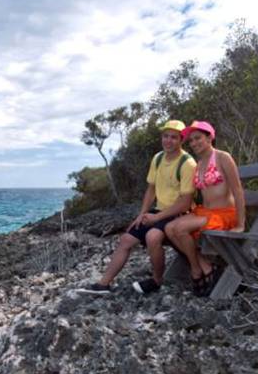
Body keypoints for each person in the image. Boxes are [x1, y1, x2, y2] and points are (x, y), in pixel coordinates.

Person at [79, 120, 197, 295]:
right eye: (165, 136)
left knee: (152, 236)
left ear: (182, 140)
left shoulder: (187, 163)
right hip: (159, 211)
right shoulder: (158, 158)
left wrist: (156, 218)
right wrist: (142, 214)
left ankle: (157, 280)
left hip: (179, 213)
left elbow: (185, 202)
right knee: (126, 239)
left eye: (174, 137)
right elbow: (151, 189)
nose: (168, 140)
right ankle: (103, 285)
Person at [164, 120, 246, 296]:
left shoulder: (223, 157)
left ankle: (198, 271)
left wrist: (241, 224)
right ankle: (204, 266)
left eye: (198, 138)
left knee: (180, 228)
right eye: (191, 140)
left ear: (209, 138)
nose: (193, 143)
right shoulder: (199, 163)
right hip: (205, 212)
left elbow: (238, 190)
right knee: (169, 228)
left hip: (224, 214)